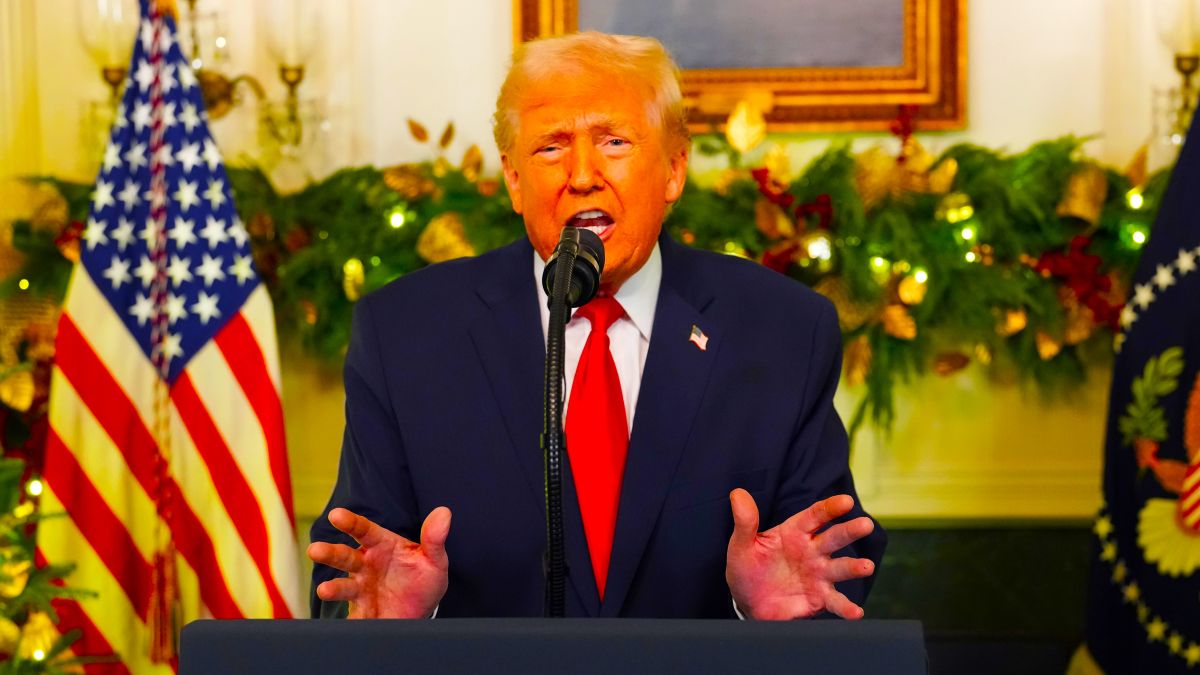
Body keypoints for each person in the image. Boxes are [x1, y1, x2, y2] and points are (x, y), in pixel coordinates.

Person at [307, 31, 885, 620]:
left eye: (613, 141)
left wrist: (764, 606)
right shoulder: (405, 333)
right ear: (512, 179)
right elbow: (350, 573)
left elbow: (833, 559)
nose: (582, 174)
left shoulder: (782, 328)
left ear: (674, 169)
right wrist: (395, 621)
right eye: (551, 148)